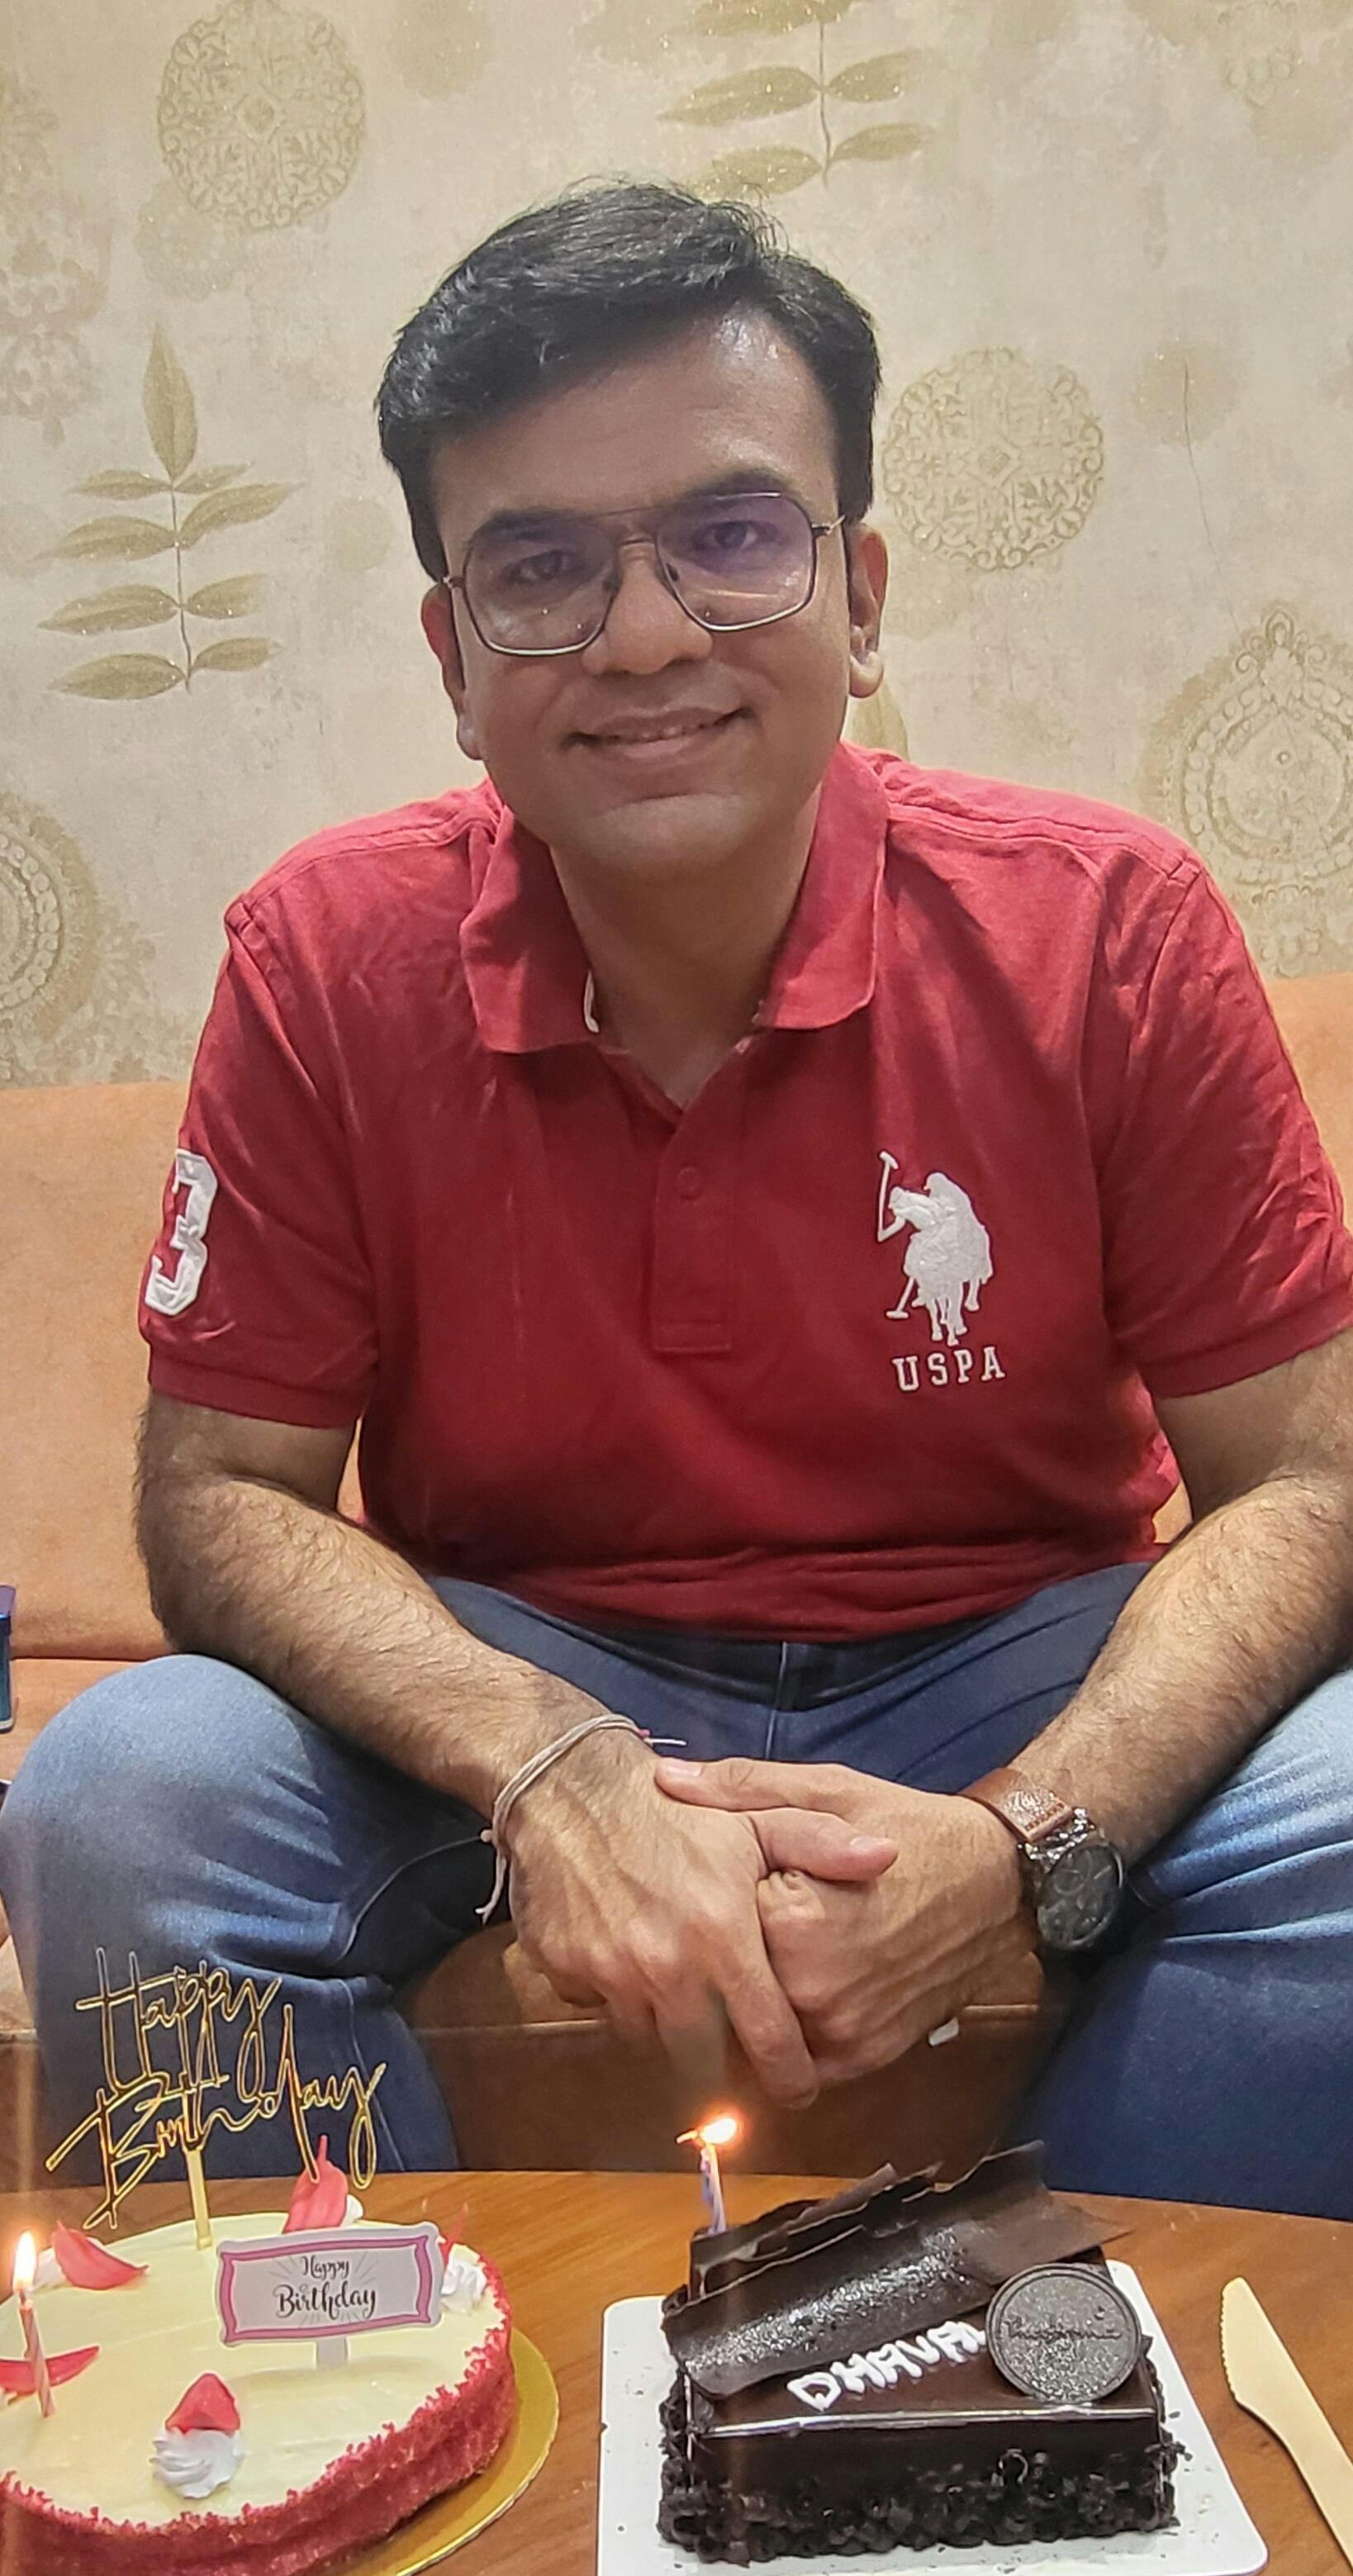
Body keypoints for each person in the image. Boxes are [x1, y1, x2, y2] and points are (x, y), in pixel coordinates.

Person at [5, 182, 1353, 2212]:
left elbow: (1311, 1480)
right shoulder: (323, 957)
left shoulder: (1108, 926)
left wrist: (1028, 1837)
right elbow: (217, 1499)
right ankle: (357, 2381)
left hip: (1019, 1646)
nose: (644, 635)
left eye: (730, 535)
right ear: (455, 657)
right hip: (526, 1649)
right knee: (123, 1790)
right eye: (540, 567)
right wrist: (548, 1758)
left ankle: (1094, 2359)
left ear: (860, 595)